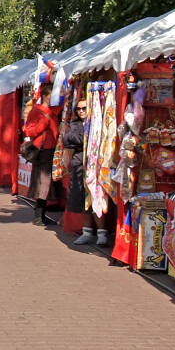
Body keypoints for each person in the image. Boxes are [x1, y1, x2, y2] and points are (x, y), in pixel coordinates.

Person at [62, 97, 108, 246]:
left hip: (95, 165)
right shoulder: (74, 124)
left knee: (96, 198)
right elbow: (67, 139)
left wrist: (79, 138)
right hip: (79, 164)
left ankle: (102, 233)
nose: (81, 111)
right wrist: (80, 138)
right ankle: (87, 231)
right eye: (79, 109)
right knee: (82, 199)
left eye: (84, 108)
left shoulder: (96, 122)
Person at [23, 84, 60, 226]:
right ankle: (38, 216)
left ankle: (41, 215)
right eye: (51, 96)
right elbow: (29, 131)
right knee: (43, 183)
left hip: (51, 150)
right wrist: (43, 124)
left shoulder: (51, 111)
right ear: (45, 96)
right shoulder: (37, 112)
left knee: (47, 183)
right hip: (43, 151)